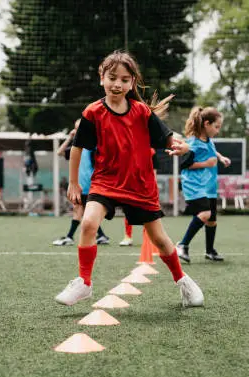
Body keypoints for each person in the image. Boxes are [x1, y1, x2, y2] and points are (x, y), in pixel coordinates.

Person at [55, 50, 204, 307]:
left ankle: (183, 282)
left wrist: (179, 145)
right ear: (102, 77)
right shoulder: (92, 113)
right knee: (89, 223)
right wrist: (73, 182)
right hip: (106, 181)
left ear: (132, 83)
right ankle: (84, 283)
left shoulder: (141, 112)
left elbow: (166, 137)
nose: (118, 84)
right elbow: (78, 148)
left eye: (125, 80)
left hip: (140, 184)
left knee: (159, 239)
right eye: (113, 77)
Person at [175, 107, 231, 263]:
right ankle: (182, 245)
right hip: (194, 186)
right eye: (217, 126)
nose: (218, 130)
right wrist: (206, 163)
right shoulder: (192, 144)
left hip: (209, 187)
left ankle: (210, 251)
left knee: (211, 220)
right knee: (205, 214)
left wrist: (221, 158)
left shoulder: (208, 141)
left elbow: (211, 151)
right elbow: (185, 165)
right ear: (207, 124)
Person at [52, 119, 110, 246]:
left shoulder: (93, 146)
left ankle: (70, 237)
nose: (77, 131)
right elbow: (60, 152)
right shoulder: (76, 148)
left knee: (79, 210)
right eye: (76, 128)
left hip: (88, 185)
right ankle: (101, 236)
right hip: (80, 185)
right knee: (81, 211)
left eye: (79, 128)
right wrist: (70, 137)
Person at [119, 148, 159, 246]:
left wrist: (153, 186)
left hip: (146, 186)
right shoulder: (127, 150)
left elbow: (154, 171)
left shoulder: (151, 152)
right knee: (127, 210)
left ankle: (148, 238)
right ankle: (127, 237)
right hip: (130, 184)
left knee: (148, 212)